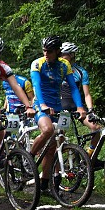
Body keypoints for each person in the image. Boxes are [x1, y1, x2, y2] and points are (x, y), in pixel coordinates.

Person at [29, 36, 87, 193]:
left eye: (49, 51)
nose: (46, 54)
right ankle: (29, 157)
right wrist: (42, 105)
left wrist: (80, 107)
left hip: (57, 106)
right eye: (44, 51)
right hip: (40, 104)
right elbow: (36, 85)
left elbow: (73, 88)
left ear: (57, 52)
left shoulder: (64, 65)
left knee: (53, 146)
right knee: (48, 130)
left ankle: (44, 183)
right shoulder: (37, 64)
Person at [59, 42, 101, 162]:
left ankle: (88, 157)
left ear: (72, 55)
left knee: (96, 128)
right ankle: (58, 163)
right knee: (59, 135)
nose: (61, 56)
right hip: (62, 106)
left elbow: (87, 94)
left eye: (64, 54)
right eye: (60, 54)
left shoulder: (81, 72)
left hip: (77, 106)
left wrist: (91, 110)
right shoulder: (58, 70)